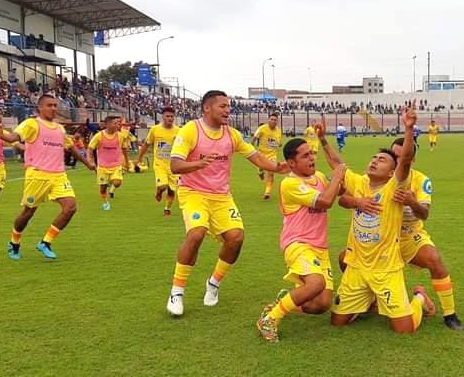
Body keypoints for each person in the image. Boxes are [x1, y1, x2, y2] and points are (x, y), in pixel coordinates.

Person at [165, 90, 288, 317]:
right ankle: (177, 292)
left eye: (229, 106)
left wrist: (277, 167)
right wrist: (198, 164)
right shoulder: (191, 130)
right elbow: (175, 165)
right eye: (222, 106)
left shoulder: (232, 135)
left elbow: (256, 157)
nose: (228, 110)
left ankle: (213, 283)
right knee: (196, 233)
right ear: (207, 108)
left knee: (236, 237)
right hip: (193, 193)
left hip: (221, 196)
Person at [325, 103, 433, 334]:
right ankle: (367, 300)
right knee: (337, 323)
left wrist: (409, 128)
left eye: (382, 160)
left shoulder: (394, 188)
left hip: (386, 269)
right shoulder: (360, 182)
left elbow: (404, 161)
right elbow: (338, 165)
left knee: (404, 329)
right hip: (356, 267)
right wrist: (323, 140)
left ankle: (420, 298)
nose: (374, 161)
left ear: (392, 172)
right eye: (373, 157)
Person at [338, 136, 464, 331]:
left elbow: (424, 214)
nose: (397, 160)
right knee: (344, 258)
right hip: (381, 238)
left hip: (407, 236)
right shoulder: (372, 178)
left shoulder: (421, 180)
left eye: (401, 157)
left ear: (410, 159)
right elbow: (344, 198)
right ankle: (369, 298)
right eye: (393, 156)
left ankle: (449, 314)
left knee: (434, 259)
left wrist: (412, 202)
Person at [256, 136, 347, 343]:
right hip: (298, 243)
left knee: (321, 304)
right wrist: (337, 177)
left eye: (312, 154)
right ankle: (270, 319)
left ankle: (285, 301)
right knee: (316, 282)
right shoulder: (290, 183)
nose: (311, 158)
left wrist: (338, 171)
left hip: (319, 247)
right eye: (305, 156)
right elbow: (325, 201)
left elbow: (341, 190)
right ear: (291, 163)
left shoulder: (320, 177)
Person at [0, 95, 95, 260]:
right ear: (40, 108)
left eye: (55, 105)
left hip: (59, 175)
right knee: (28, 212)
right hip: (37, 175)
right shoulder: (31, 124)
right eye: (49, 105)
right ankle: (14, 242)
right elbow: (14, 137)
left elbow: (71, 147)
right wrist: (3, 135)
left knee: (70, 207)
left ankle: (45, 242)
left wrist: (88, 163)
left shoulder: (60, 128)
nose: (53, 108)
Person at [135, 107, 180, 216]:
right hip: (160, 164)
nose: (170, 118)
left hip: (173, 165)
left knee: (171, 190)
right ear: (162, 117)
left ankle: (167, 209)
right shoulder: (155, 129)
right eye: (167, 116)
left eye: (172, 116)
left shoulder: (179, 131)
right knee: (163, 186)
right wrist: (139, 158)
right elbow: (146, 144)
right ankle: (159, 191)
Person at [86, 115, 129, 211]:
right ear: (108, 124)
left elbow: (124, 149)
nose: (117, 125)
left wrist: (126, 161)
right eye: (115, 123)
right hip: (102, 166)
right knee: (103, 188)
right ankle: (105, 202)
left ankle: (111, 182)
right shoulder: (99, 136)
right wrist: (90, 160)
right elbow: (89, 149)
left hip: (116, 165)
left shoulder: (120, 136)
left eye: (118, 123)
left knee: (117, 183)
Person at [251, 113, 283, 200]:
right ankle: (260, 172)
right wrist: (251, 147)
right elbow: (254, 137)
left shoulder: (279, 131)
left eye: (275, 120)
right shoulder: (262, 128)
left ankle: (267, 193)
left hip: (272, 155)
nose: (273, 121)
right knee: (261, 168)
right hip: (261, 154)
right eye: (271, 119)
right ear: (268, 120)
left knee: (271, 172)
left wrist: (278, 143)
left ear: (277, 121)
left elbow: (279, 142)